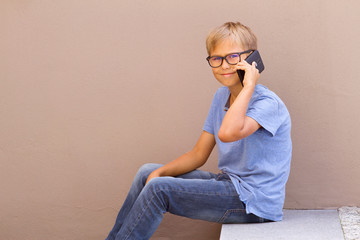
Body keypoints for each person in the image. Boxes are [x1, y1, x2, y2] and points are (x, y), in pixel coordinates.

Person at [105, 21, 292, 240]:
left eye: (233, 57)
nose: (224, 65)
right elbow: (198, 154)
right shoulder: (221, 97)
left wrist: (249, 85)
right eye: (216, 59)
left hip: (254, 202)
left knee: (159, 190)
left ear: (252, 59)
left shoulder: (268, 103)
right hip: (230, 184)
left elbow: (228, 133)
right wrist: (158, 173)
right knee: (147, 172)